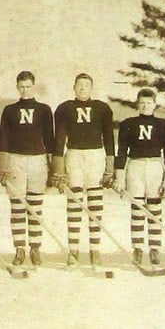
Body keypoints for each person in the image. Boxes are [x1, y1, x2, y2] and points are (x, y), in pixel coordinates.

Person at [52, 73, 115, 268]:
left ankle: (94, 250)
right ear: (74, 87)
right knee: (75, 202)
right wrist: (59, 169)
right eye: (79, 85)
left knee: (95, 203)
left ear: (92, 88)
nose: (82, 88)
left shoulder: (102, 109)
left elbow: (109, 139)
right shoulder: (65, 109)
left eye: (86, 85)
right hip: (74, 155)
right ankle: (74, 250)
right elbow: (60, 139)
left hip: (95, 155)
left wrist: (109, 167)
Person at [0, 71, 55, 267]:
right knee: (17, 206)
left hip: (38, 161)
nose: (25, 89)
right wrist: (3, 167)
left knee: (35, 206)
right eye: (21, 86)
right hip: (16, 160)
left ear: (34, 86)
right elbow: (3, 139)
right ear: (17, 87)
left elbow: (50, 139)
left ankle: (35, 248)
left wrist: (54, 168)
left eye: (28, 86)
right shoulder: (9, 110)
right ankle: (20, 248)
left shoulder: (44, 110)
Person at [114, 88, 165, 266]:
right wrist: (119, 175)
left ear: (155, 104)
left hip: (155, 166)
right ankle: (138, 248)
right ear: (137, 104)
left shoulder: (164, 126)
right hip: (135, 166)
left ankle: (155, 249)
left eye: (149, 103)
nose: (145, 106)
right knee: (137, 208)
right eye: (142, 102)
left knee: (154, 209)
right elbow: (122, 152)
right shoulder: (128, 124)